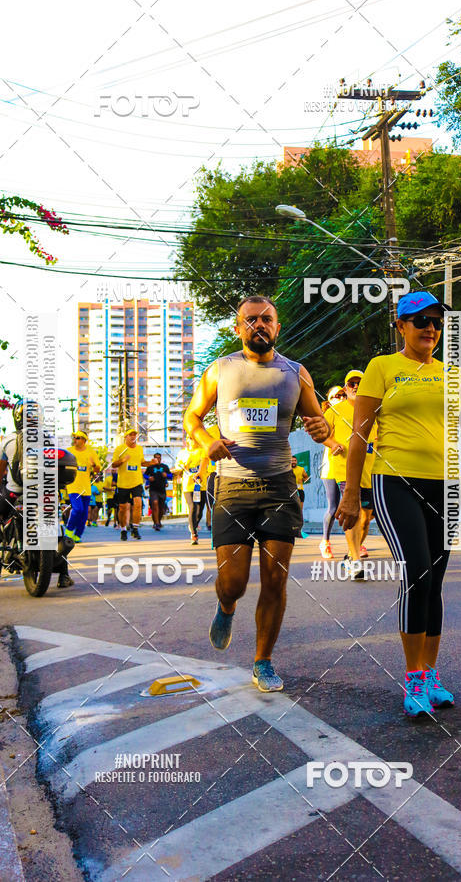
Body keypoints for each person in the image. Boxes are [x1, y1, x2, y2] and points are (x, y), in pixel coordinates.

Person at [336, 290, 461, 717]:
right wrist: (348, 491)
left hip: (443, 486)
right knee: (416, 572)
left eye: (436, 323)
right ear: (400, 325)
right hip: (395, 482)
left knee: (434, 580)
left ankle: (431, 674)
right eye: (421, 322)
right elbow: (359, 434)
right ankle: (413, 677)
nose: (430, 329)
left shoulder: (452, 376)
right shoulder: (383, 368)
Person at [183, 295, 330, 692]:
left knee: (275, 581)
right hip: (232, 484)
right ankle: (226, 605)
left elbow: (317, 419)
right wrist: (205, 440)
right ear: (238, 328)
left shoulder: (296, 373)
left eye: (266, 319)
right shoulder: (221, 370)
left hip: (280, 484)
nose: (258, 325)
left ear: (277, 327)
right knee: (234, 581)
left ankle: (262, 660)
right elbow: (192, 416)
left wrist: (323, 429)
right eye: (250, 320)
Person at [0, 400, 76, 588]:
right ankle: (63, 574)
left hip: (14, 494)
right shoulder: (49, 439)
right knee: (54, 527)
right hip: (44, 495)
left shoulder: (8, 440)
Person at [322, 370, 376, 575]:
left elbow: (381, 436)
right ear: (346, 388)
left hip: (370, 471)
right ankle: (355, 560)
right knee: (352, 513)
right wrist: (332, 443)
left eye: (359, 383)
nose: (355, 387)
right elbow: (322, 434)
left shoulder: (374, 410)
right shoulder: (335, 411)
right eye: (351, 384)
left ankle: (351, 552)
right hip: (344, 470)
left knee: (366, 517)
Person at [319, 386, 346, 559]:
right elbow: (322, 437)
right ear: (329, 401)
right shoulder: (328, 415)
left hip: (347, 468)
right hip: (330, 468)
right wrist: (334, 445)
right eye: (336, 396)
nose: (341, 397)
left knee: (352, 507)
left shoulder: (353, 413)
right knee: (334, 506)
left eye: (343, 394)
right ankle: (325, 542)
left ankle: (357, 544)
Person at [111, 428, 154, 541]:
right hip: (123, 483)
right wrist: (123, 460)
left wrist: (151, 463)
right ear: (125, 437)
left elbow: (142, 462)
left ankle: (135, 528)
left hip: (136, 481)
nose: (133, 437)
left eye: (134, 435)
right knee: (123, 508)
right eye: (130, 435)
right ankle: (123, 530)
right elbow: (114, 464)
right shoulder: (119, 449)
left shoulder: (139, 449)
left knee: (138, 504)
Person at [65, 431, 101, 544]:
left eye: (78, 438)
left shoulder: (91, 452)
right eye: (74, 437)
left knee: (85, 513)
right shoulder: (69, 451)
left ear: (84, 440)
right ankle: (69, 531)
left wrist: (94, 464)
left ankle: (77, 535)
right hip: (73, 486)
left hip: (85, 487)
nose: (75, 439)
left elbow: (97, 470)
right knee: (78, 509)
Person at [173, 439, 208, 544]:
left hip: (200, 485)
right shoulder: (182, 453)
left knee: (199, 510)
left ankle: (194, 524)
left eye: (194, 438)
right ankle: (194, 534)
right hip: (188, 485)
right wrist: (183, 465)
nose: (193, 441)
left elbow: (206, 463)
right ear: (188, 440)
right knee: (192, 506)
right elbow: (177, 467)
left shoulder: (202, 451)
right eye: (191, 439)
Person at [144, 452, 172, 531]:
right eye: (156, 458)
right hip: (153, 489)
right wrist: (149, 478)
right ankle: (156, 523)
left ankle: (158, 521)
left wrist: (166, 475)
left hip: (162, 489)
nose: (157, 459)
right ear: (154, 459)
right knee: (155, 504)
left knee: (161, 508)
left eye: (159, 457)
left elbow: (171, 476)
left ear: (161, 458)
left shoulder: (165, 467)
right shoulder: (150, 467)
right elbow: (144, 475)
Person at [291, 456, 309, 538]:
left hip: (299, 491)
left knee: (299, 511)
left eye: (294, 460)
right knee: (291, 510)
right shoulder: (287, 469)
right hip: (290, 491)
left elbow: (306, 477)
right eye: (292, 461)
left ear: (296, 461)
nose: (293, 462)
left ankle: (299, 531)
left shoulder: (301, 469)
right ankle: (290, 529)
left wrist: (304, 479)